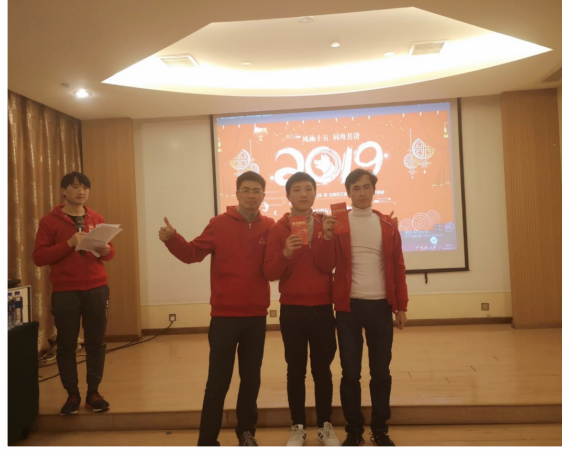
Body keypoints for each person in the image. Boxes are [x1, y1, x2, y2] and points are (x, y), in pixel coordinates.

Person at [158, 171, 274, 447]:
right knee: (218, 381)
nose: (251, 195)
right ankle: (207, 440)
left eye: (256, 191)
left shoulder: (270, 226)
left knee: (251, 379)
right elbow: (191, 254)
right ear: (237, 194)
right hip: (224, 317)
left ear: (263, 195)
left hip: (256, 317)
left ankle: (246, 432)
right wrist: (172, 238)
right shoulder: (219, 224)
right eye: (246, 190)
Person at [263, 172, 341, 447]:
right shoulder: (278, 229)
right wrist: (285, 253)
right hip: (293, 309)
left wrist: (327, 238)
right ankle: (297, 427)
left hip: (322, 308)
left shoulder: (325, 223)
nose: (303, 194)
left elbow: (327, 266)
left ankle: (324, 426)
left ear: (315, 193)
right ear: (288, 195)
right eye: (297, 189)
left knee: (322, 370)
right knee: (295, 370)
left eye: (309, 188)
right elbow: (270, 272)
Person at [332, 169, 408, 446]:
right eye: (356, 188)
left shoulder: (387, 225)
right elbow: (327, 259)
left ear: (374, 190)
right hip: (348, 307)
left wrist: (401, 307)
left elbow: (398, 267)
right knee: (350, 373)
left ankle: (380, 428)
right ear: (348, 193)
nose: (362, 192)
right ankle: (354, 431)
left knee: (381, 372)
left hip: (380, 307)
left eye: (366, 187)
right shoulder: (339, 222)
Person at [33, 172, 115, 415]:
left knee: (96, 343)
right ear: (63, 191)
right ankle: (72, 394)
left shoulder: (96, 218)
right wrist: (68, 243)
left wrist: (105, 249)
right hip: (66, 291)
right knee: (67, 345)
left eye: (85, 188)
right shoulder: (49, 221)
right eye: (75, 187)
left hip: (97, 288)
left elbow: (109, 254)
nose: (81, 192)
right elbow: (39, 257)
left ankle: (93, 393)